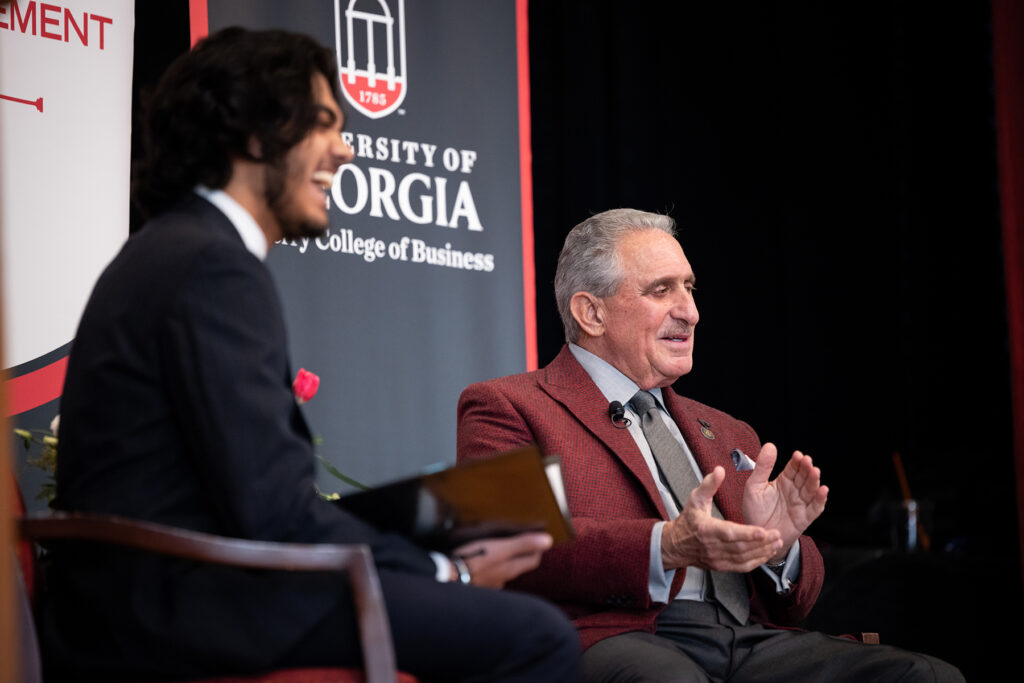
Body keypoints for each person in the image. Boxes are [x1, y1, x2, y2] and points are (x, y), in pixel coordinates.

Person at [39, 27, 580, 683]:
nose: (346, 151)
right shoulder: (211, 265)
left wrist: (416, 537)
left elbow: (247, 493)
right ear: (252, 131)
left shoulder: (174, 250)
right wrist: (450, 570)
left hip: (158, 597)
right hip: (181, 613)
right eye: (324, 123)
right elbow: (272, 509)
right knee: (539, 636)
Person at [457, 208, 963, 682]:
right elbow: (512, 550)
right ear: (591, 313)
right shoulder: (508, 406)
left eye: (690, 288)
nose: (691, 312)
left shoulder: (727, 430)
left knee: (926, 675)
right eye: (661, 290)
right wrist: (666, 546)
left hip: (747, 638)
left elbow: (801, 600)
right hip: (611, 635)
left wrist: (777, 547)